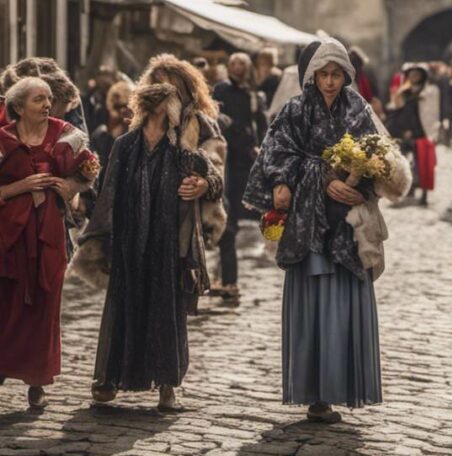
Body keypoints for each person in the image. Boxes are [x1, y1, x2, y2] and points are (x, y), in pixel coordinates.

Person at [243, 39, 385, 423]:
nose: (329, 81)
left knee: (343, 304)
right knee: (313, 306)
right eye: (323, 74)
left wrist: (358, 184)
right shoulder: (295, 109)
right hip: (307, 227)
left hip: (346, 225)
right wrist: (315, 178)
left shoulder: (359, 109)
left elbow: (380, 159)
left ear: (347, 75)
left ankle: (344, 386)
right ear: (312, 75)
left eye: (336, 74)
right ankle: (314, 394)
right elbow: (275, 153)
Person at [82, 55, 227, 412]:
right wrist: (98, 241)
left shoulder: (187, 142)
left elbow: (217, 176)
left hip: (172, 234)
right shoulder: (125, 145)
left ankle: (167, 386)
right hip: (131, 236)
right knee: (123, 304)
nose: (160, 97)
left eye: (168, 90)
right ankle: (111, 378)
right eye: (154, 89)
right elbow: (109, 194)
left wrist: (203, 184)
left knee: (166, 307)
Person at [0, 77, 97, 409]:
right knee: (7, 303)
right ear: (18, 106)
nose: (46, 105)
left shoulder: (65, 133)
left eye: (48, 99)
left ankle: (37, 381)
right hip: (7, 235)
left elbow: (87, 172)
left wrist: (69, 185)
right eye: (38, 100)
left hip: (49, 233)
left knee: (45, 303)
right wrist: (20, 186)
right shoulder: (1, 138)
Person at [212, 52, 268, 301]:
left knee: (231, 215)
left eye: (241, 65)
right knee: (225, 215)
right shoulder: (221, 90)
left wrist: (258, 145)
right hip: (224, 156)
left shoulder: (253, 94)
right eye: (233, 63)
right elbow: (215, 119)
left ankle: (228, 278)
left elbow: (260, 124)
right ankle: (221, 276)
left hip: (242, 159)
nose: (237, 68)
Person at [385, 64, 440, 205]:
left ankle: (424, 194)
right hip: (408, 131)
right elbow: (397, 110)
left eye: (417, 74)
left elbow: (433, 113)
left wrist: (435, 130)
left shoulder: (430, 92)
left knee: (424, 164)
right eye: (411, 74)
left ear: (422, 76)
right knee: (407, 162)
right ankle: (410, 188)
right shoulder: (404, 91)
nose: (414, 76)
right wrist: (396, 95)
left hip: (423, 132)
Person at [90, 80, 134, 187]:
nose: (122, 111)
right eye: (118, 106)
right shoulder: (100, 134)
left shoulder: (136, 134)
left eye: (125, 106)